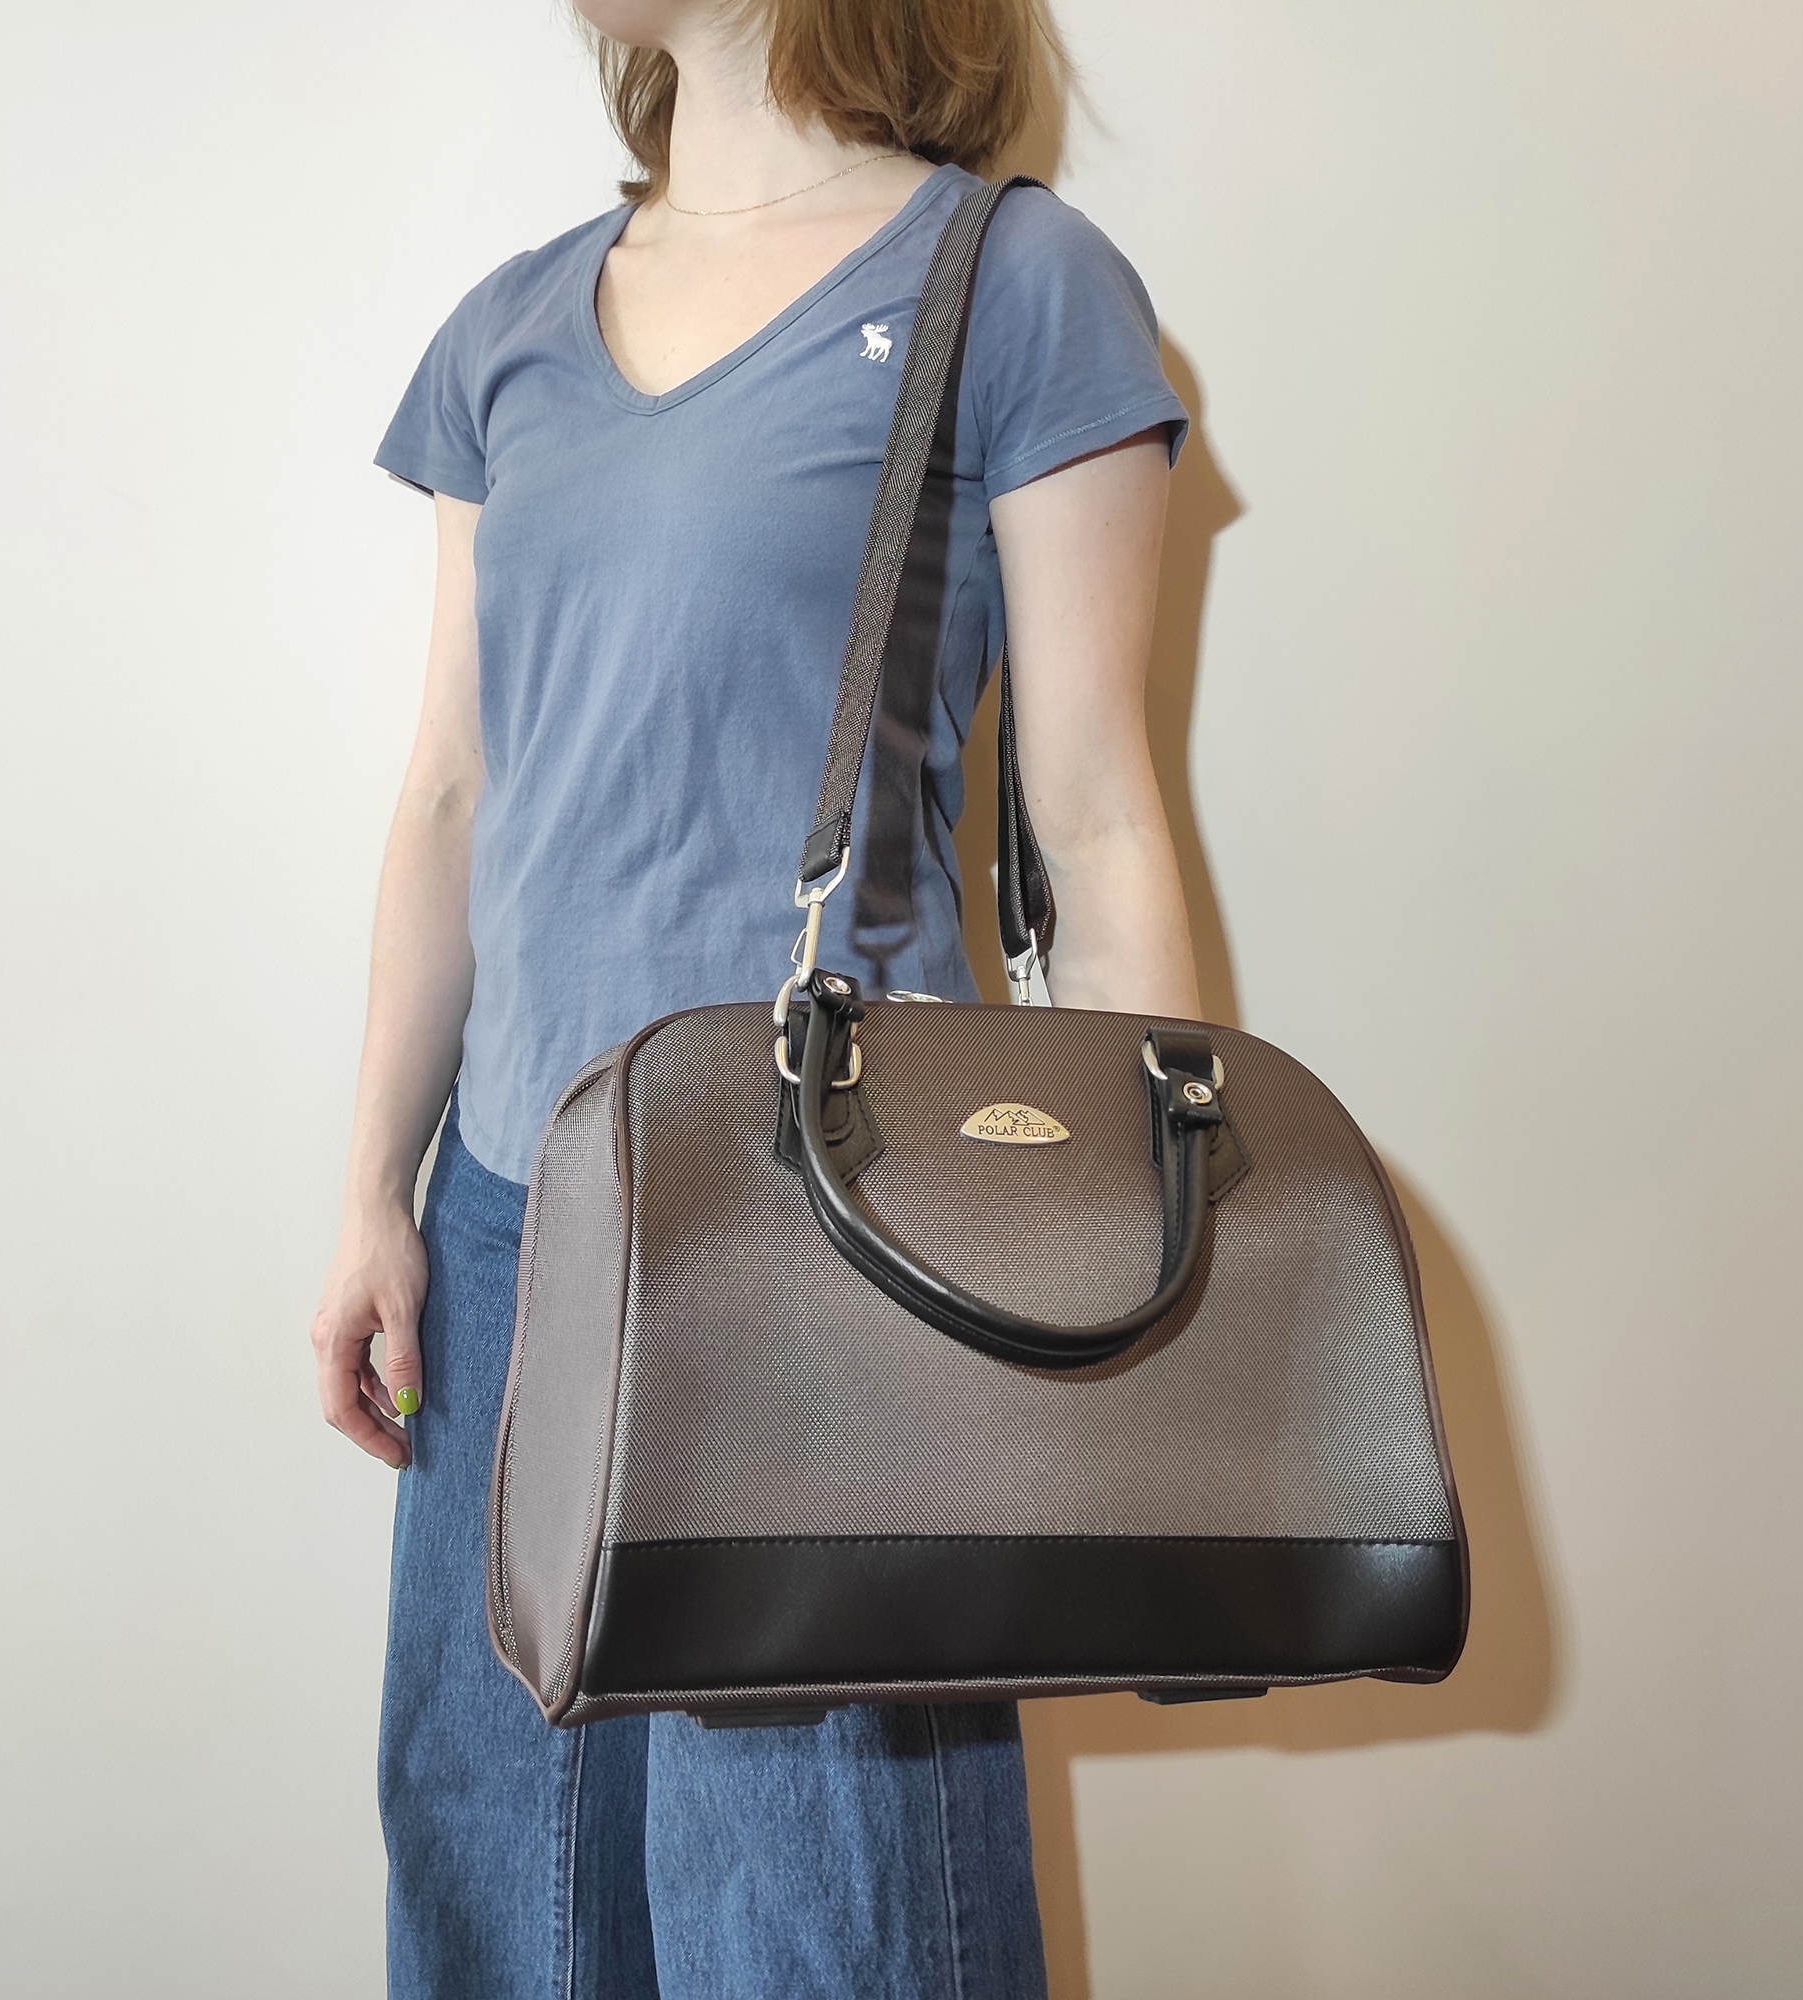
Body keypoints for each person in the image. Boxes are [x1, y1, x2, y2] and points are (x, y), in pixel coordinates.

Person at [309, 0, 1203, 1992]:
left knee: (825, 1930)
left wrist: (1145, 1278)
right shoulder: (507, 328)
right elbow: (453, 792)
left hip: (834, 1248)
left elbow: (1094, 816)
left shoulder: (1014, 284)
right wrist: (374, 1190)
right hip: (508, 1232)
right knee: (505, 1912)